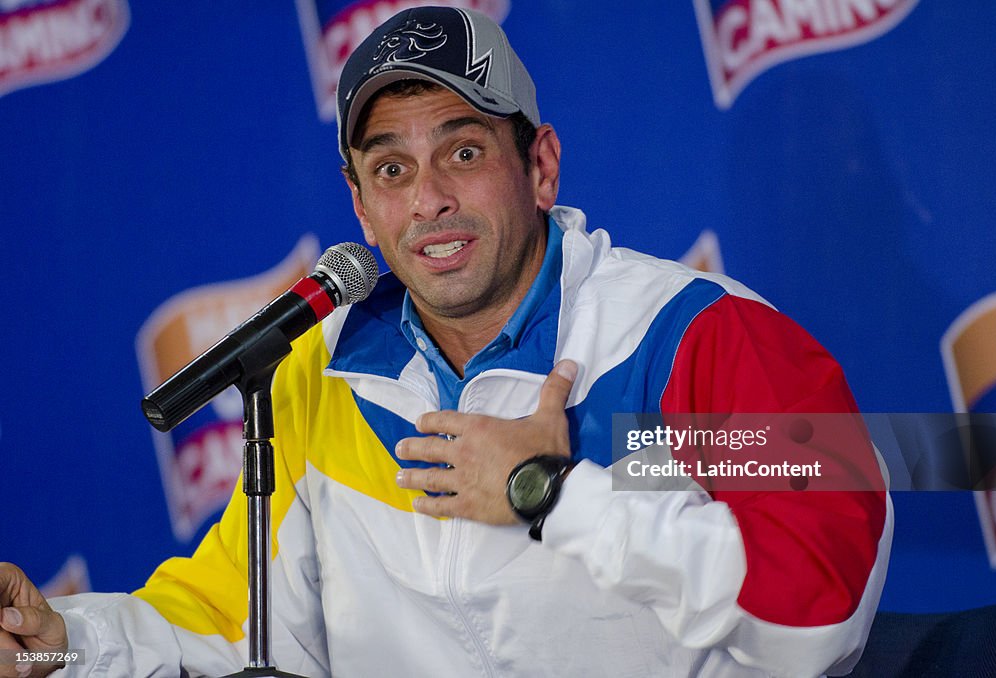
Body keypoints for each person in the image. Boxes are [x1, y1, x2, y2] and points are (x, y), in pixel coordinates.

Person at [0, 6, 892, 677]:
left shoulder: (692, 335)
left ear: (539, 166)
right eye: (391, 168)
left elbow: (822, 614)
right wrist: (64, 645)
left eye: (463, 153)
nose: (427, 200)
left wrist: (553, 493)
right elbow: (237, 617)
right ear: (361, 207)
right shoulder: (322, 368)